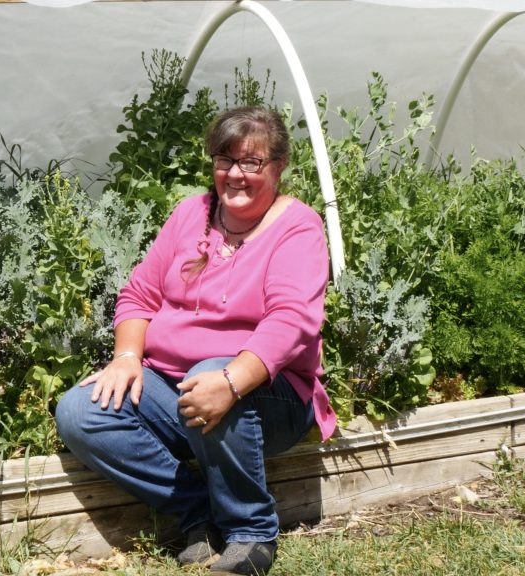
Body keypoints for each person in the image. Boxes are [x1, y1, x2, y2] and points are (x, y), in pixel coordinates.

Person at [56, 106, 336, 576]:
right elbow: (140, 294)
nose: (236, 174)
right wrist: (126, 357)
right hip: (174, 384)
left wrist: (229, 381)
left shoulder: (298, 226)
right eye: (225, 160)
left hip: (271, 394)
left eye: (253, 162)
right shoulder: (192, 213)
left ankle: (251, 532)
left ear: (280, 166)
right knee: (81, 411)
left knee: (209, 377)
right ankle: (196, 513)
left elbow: (292, 320)